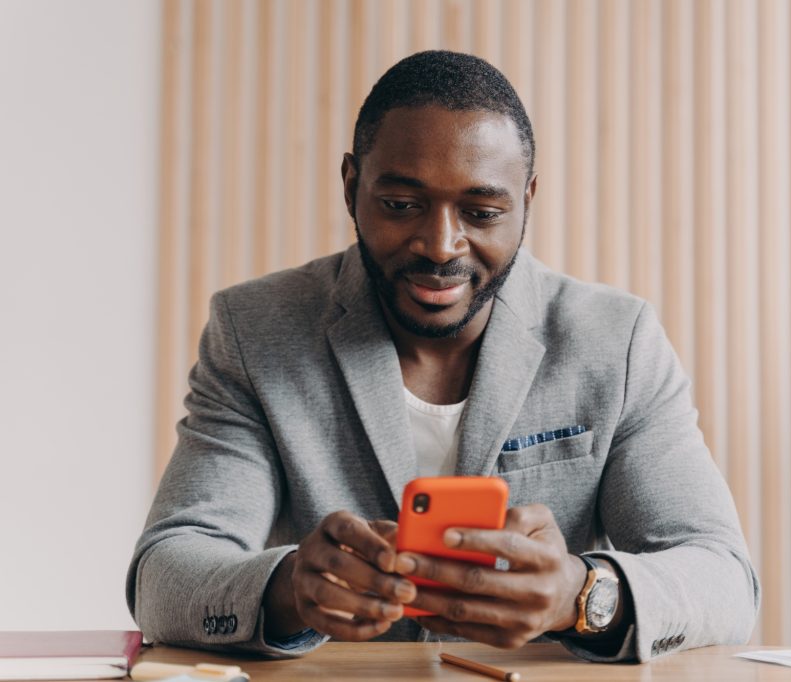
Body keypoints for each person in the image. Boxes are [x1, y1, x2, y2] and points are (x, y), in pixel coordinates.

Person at [127, 50, 759, 663]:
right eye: (401, 205)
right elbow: (166, 575)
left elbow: (724, 579)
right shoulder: (257, 331)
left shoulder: (615, 342)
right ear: (351, 188)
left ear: (527, 202)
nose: (440, 245)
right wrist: (291, 587)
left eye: (482, 212)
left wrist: (582, 594)